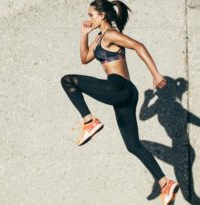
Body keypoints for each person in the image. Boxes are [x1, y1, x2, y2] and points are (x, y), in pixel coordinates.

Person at [60, 0, 179, 204]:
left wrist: (156, 74)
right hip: (125, 94)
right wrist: (84, 34)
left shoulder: (111, 34)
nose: (88, 19)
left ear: (102, 15)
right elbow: (85, 58)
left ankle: (89, 121)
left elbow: (138, 46)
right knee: (133, 145)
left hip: (118, 87)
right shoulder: (99, 38)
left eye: (91, 15)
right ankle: (164, 183)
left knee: (68, 80)